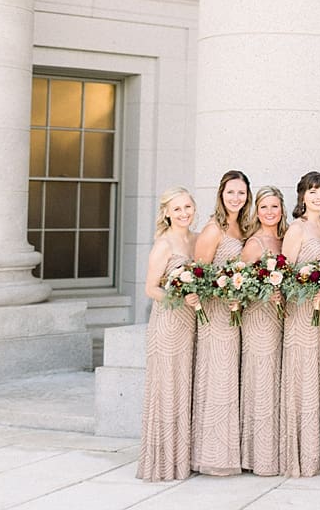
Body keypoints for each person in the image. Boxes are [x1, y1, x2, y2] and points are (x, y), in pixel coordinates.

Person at [191, 169, 251, 476]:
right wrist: (224, 290)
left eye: (241, 193)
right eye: (231, 192)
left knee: (231, 380)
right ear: (221, 194)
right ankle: (213, 455)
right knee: (218, 379)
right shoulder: (213, 228)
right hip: (216, 314)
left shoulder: (243, 227)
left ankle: (231, 451)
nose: (236, 198)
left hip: (236, 313)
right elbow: (199, 275)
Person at [136, 187, 199, 481]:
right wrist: (179, 298)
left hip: (191, 324)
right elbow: (151, 289)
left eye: (187, 207)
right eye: (177, 209)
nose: (184, 213)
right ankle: (161, 462)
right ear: (166, 213)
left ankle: (182, 458)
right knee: (167, 388)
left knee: (184, 387)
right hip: (168, 322)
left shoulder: (196, 240)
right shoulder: (164, 244)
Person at [280, 171, 320, 477]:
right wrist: (307, 290)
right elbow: (284, 275)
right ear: (302, 196)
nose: (317, 196)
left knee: (317, 376)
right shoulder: (296, 229)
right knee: (302, 377)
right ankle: (298, 455)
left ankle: (315, 451)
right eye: (312, 191)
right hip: (301, 311)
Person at [238, 185, 288, 476]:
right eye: (264, 207)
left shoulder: (284, 238)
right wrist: (264, 294)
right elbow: (239, 285)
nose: (270, 212)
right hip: (259, 318)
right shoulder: (255, 244)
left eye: (274, 207)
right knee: (261, 383)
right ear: (257, 211)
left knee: (275, 385)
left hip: (281, 318)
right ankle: (258, 456)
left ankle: (274, 451)